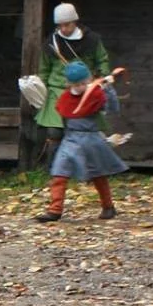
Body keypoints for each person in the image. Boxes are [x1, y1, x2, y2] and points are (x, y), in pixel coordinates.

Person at [34, 61, 128, 223]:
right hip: (70, 140)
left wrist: (109, 90)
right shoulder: (65, 97)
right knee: (59, 173)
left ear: (89, 79)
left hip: (90, 140)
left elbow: (113, 109)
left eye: (84, 83)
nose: (82, 86)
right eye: (77, 84)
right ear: (70, 83)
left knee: (98, 174)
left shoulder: (96, 94)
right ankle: (54, 210)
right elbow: (63, 115)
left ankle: (108, 207)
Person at [33, 4, 110, 165]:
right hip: (57, 90)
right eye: (60, 25)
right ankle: (55, 170)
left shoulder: (92, 40)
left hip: (85, 91)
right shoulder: (51, 43)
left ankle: (89, 169)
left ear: (74, 21)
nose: (64, 28)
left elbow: (102, 60)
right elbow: (45, 69)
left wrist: (101, 80)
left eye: (67, 24)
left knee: (87, 130)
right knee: (55, 132)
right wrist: (42, 88)